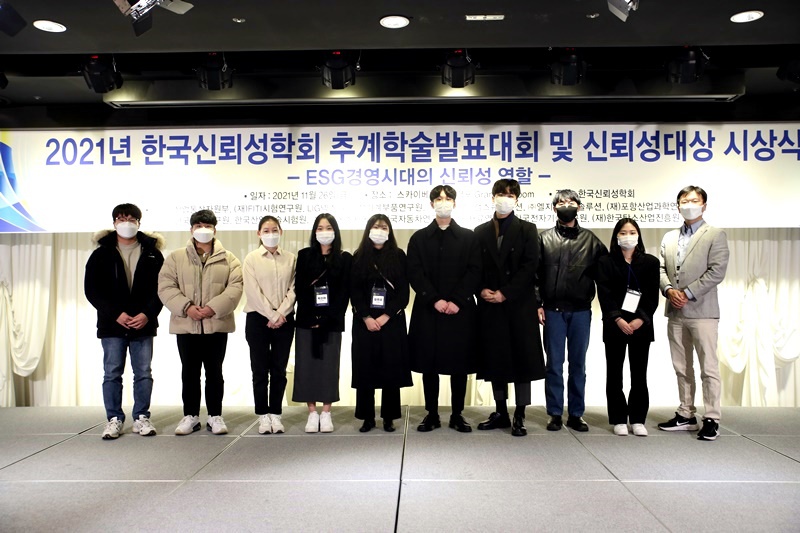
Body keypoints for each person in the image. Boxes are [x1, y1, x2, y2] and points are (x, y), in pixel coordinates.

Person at [158, 209, 243, 436]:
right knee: (189, 372)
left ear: (215, 230)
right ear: (191, 229)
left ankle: (215, 415)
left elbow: (235, 287)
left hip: (216, 324)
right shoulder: (176, 258)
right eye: (198, 226)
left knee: (215, 372)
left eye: (207, 226)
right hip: (186, 325)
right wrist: (187, 307)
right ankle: (191, 416)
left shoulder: (229, 259)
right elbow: (166, 286)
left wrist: (212, 308)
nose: (203, 229)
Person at [84, 203, 165, 440]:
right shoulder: (101, 254)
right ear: (114, 223)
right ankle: (114, 419)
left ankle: (141, 417)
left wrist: (148, 314)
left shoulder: (153, 253)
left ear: (139, 223)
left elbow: (163, 288)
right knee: (112, 373)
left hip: (143, 323)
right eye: (121, 219)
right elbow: (92, 290)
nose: (126, 223)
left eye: (131, 219)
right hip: (112, 324)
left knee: (143, 373)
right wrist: (115, 314)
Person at [658, 185, 729, 441]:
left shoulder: (715, 234)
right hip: (675, 312)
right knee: (681, 366)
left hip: (702, 311)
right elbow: (661, 270)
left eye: (694, 200)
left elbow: (717, 271)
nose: (689, 205)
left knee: (708, 367)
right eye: (685, 201)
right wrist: (668, 290)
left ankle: (712, 417)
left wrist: (687, 293)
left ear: (704, 205)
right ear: (678, 206)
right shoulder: (669, 237)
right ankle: (686, 413)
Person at [474, 179, 545, 437]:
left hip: (519, 305)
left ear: (516, 199)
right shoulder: (480, 231)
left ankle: (520, 414)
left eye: (510, 194)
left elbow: (530, 266)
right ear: (492, 197)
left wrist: (506, 293)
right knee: (496, 359)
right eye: (501, 194)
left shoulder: (527, 229)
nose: (505, 198)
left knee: (522, 360)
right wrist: (480, 289)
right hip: (490, 306)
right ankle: (501, 411)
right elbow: (474, 266)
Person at [408, 185, 481, 433]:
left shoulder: (469, 237)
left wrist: (457, 300)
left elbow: (475, 270)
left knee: (459, 365)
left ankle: (458, 414)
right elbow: (415, 272)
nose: (443, 202)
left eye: (448, 198)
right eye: (438, 199)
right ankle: (432, 414)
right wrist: (434, 299)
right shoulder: (419, 238)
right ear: (431, 204)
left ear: (455, 203)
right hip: (429, 310)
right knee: (429, 365)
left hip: (461, 310)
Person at [536, 189, 607, 432]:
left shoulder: (591, 240)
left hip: (580, 311)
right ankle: (555, 413)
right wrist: (537, 303)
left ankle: (576, 414)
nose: (566, 205)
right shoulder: (543, 239)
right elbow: (534, 276)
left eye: (571, 202)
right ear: (554, 208)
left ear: (579, 207)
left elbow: (606, 274)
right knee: (554, 365)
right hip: (552, 311)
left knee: (578, 365)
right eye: (561, 202)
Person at [595, 217, 660, 437]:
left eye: (632, 232)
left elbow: (652, 296)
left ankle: (638, 418)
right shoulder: (605, 262)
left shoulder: (650, 262)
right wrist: (618, 319)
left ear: (638, 235)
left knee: (639, 373)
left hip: (641, 325)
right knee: (614, 374)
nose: (628, 236)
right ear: (616, 236)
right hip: (615, 325)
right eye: (623, 233)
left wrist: (641, 318)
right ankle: (618, 418)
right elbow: (604, 294)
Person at [350, 214, 413, 432]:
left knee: (390, 369)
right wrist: (366, 317)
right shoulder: (358, 257)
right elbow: (354, 292)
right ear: (368, 230)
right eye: (376, 226)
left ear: (390, 231)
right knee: (365, 369)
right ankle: (367, 417)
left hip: (391, 321)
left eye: (384, 227)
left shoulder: (399, 255)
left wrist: (386, 316)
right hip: (364, 322)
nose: (380, 230)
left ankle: (389, 417)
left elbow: (404, 292)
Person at [292, 213, 352, 433]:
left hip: (332, 322)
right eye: (320, 228)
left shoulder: (345, 258)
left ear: (335, 231)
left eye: (328, 228)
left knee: (329, 367)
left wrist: (326, 318)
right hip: (306, 320)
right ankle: (312, 412)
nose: (324, 232)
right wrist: (313, 318)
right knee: (306, 366)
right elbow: (300, 288)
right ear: (314, 232)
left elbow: (344, 293)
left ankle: (326, 412)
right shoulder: (304, 255)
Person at [243, 215, 296, 435]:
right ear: (259, 234)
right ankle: (262, 415)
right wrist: (271, 314)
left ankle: (276, 413)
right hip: (258, 319)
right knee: (259, 369)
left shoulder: (291, 259)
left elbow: (294, 289)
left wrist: (281, 313)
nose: (271, 234)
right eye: (266, 230)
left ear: (281, 232)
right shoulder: (251, 259)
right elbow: (252, 291)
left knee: (279, 369)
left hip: (285, 320)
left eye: (274, 230)